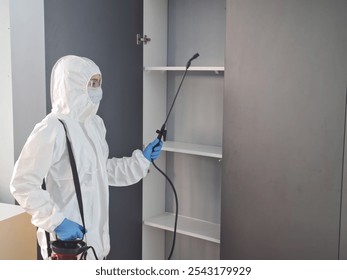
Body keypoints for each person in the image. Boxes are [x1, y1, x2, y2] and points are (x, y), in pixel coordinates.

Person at [10, 55, 163, 259]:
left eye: (98, 83)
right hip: (67, 246)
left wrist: (141, 160)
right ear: (71, 84)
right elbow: (23, 183)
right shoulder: (52, 128)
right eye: (90, 83)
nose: (97, 90)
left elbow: (103, 170)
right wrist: (57, 221)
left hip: (97, 243)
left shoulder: (95, 125)